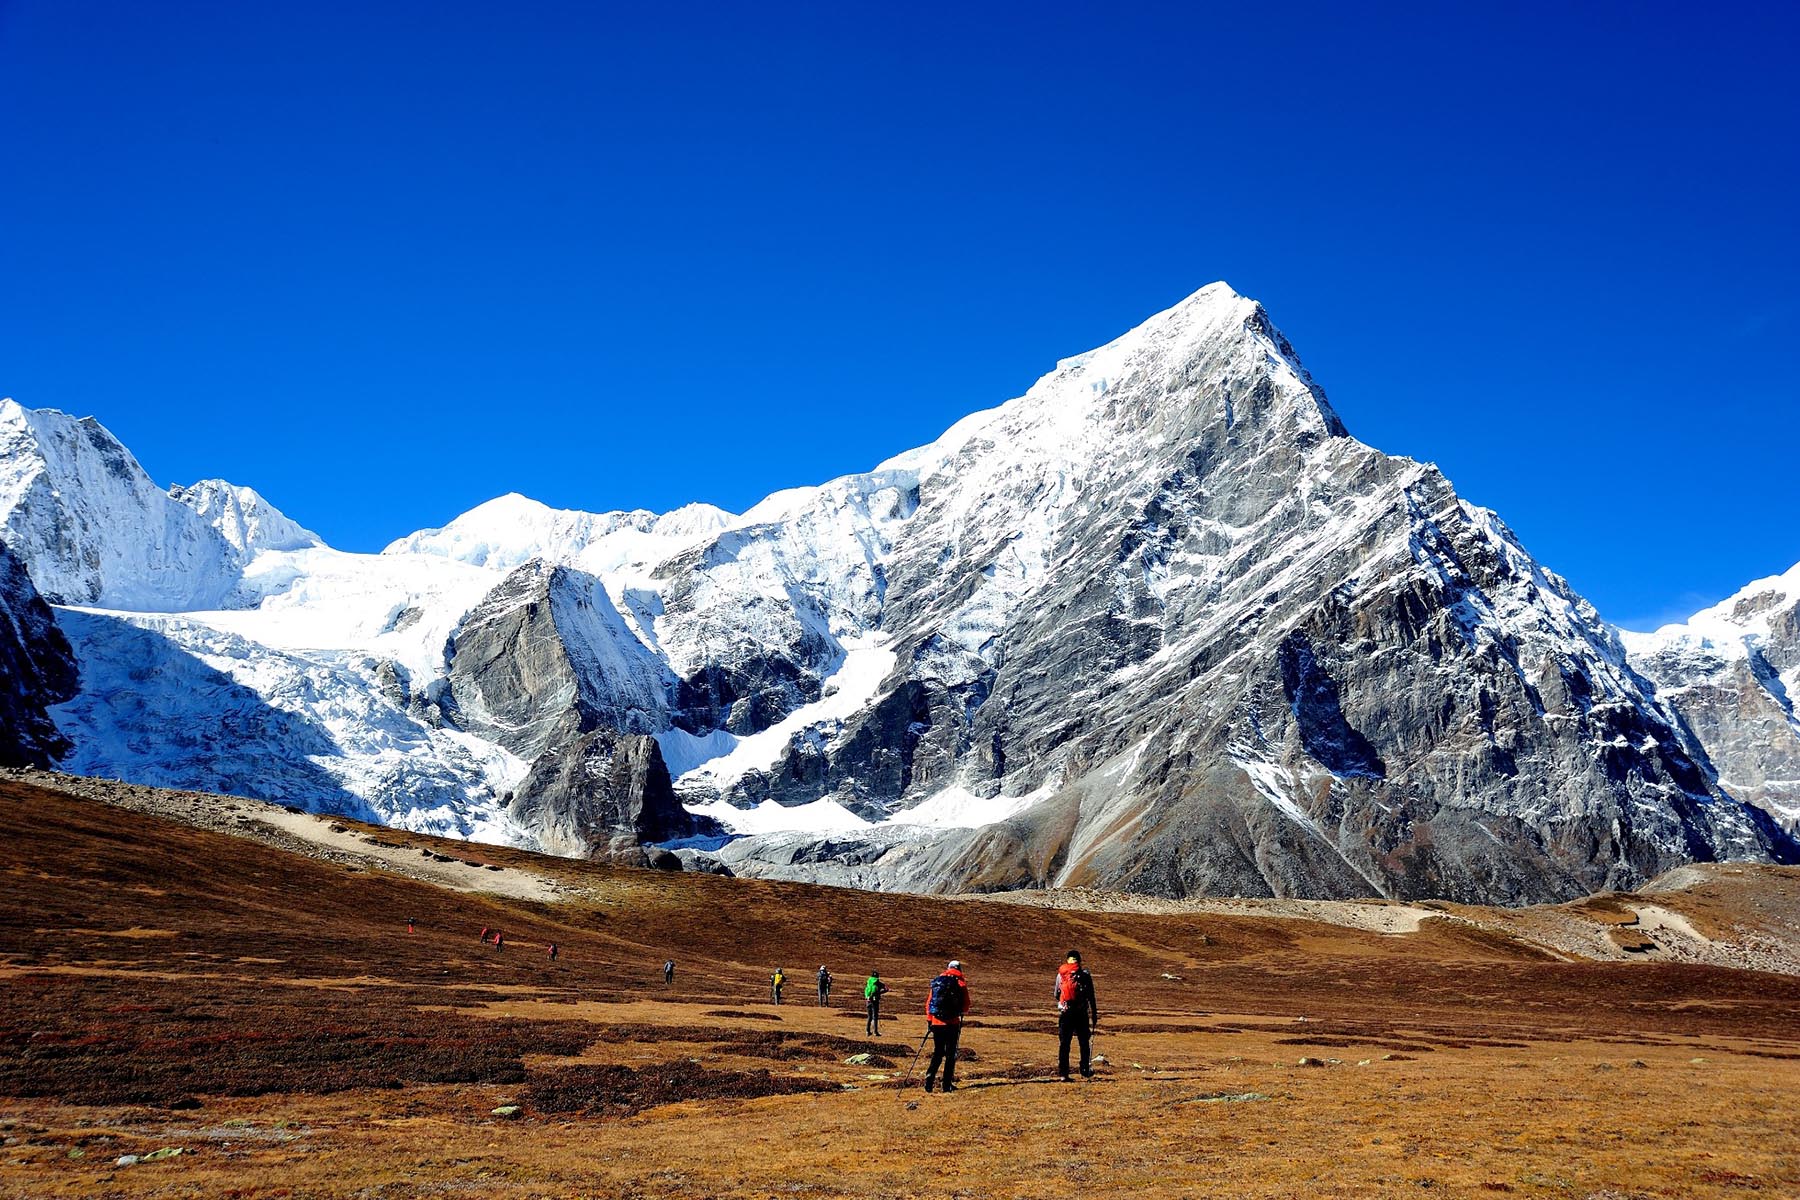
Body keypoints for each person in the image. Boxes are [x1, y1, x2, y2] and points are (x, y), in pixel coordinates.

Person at [922, 959, 970, 1093]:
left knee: (938, 1053)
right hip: (952, 1023)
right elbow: (966, 1005)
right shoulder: (960, 983)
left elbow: (929, 1003)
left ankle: (929, 1081)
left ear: (948, 968)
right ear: (959, 969)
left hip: (937, 1023)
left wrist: (929, 1020)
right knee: (950, 1054)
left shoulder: (938, 982)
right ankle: (946, 1085)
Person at [1054, 950, 1100, 1081]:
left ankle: (1063, 1073)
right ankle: (1084, 1069)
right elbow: (1091, 995)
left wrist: (1063, 1002)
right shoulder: (1085, 975)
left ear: (1067, 960)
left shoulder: (1061, 975)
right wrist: (1094, 1013)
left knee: (1064, 1043)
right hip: (1081, 1013)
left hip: (1065, 1012)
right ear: (1079, 961)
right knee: (1084, 1042)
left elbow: (1056, 994)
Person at [864, 970, 889, 1035]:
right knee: (875, 1016)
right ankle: (875, 1031)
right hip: (875, 1001)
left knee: (869, 1016)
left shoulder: (869, 982)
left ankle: (867, 1031)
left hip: (868, 1001)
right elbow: (886, 989)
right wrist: (880, 993)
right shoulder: (878, 983)